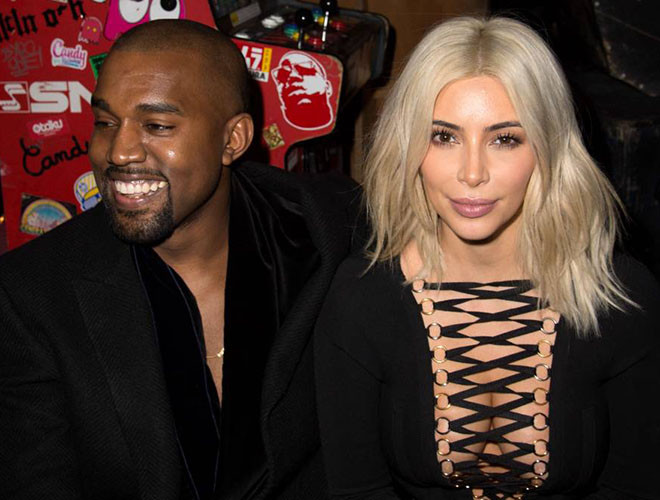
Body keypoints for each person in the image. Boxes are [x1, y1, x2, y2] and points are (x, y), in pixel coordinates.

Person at [0, 20, 359, 500]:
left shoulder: (326, 232)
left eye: (157, 126)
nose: (118, 152)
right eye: (105, 123)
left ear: (232, 139)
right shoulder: (32, 294)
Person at [314, 16, 660, 500]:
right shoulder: (361, 300)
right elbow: (355, 490)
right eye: (444, 136)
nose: (472, 173)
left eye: (505, 139)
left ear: (547, 147)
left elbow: (635, 485)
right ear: (409, 146)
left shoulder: (622, 298)